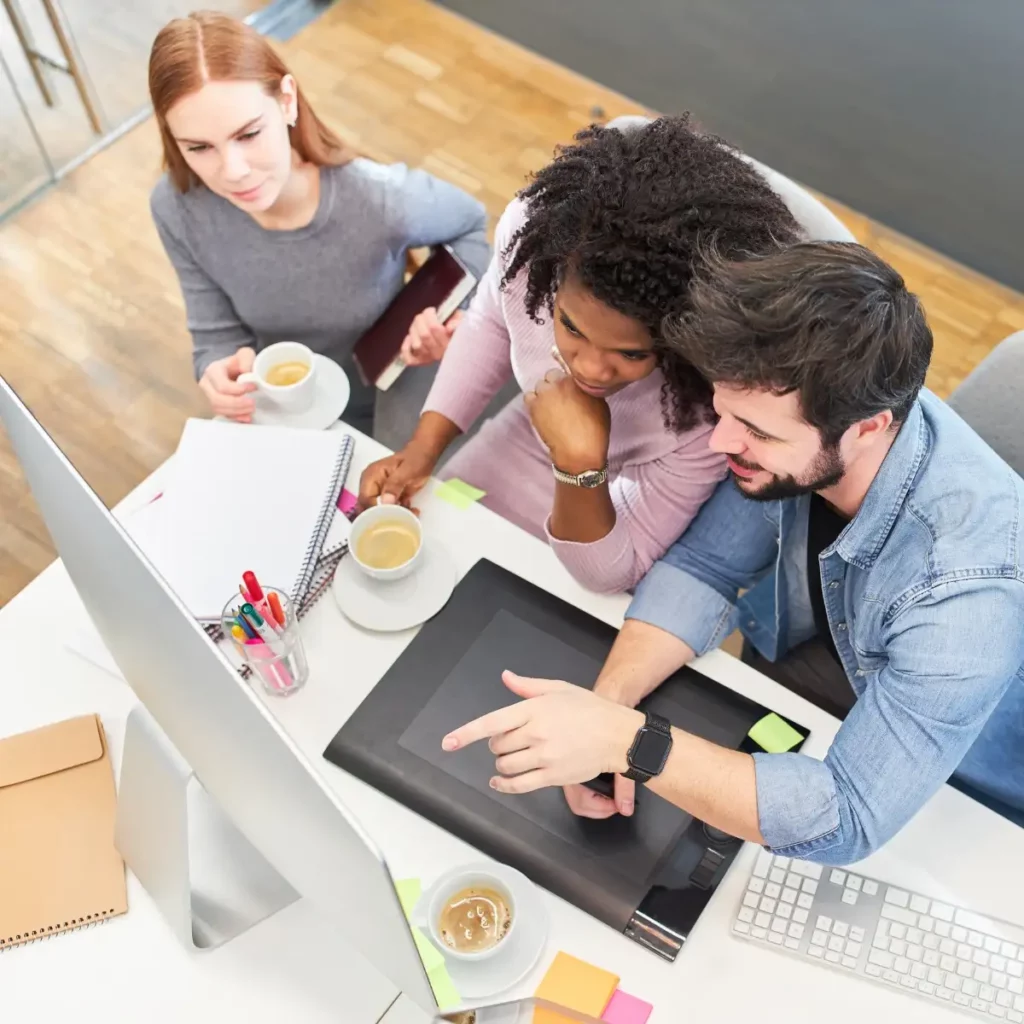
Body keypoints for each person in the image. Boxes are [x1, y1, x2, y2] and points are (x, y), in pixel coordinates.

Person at [442, 241, 1024, 863]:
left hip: (974, 789)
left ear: (866, 428)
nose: (722, 441)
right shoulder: (820, 407)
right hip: (827, 652)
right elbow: (705, 567)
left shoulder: (964, 597)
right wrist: (604, 706)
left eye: (756, 432)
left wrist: (629, 744)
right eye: (725, 411)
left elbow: (847, 815)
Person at [359, 116, 802, 594]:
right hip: (529, 436)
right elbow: (491, 320)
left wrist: (579, 467)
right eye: (570, 325)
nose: (589, 369)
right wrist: (424, 446)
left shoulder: (713, 405)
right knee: (435, 551)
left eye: (632, 353)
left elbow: (612, 573)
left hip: (612, 496)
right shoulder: (536, 249)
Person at [147, 12, 489, 440]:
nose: (232, 171)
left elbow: (473, 222)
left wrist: (459, 313)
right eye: (199, 147)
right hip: (284, 408)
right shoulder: (176, 208)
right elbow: (215, 334)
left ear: (286, 101)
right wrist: (215, 367)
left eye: (249, 134)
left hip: (387, 402)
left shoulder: (379, 199)